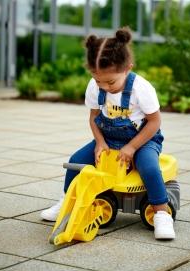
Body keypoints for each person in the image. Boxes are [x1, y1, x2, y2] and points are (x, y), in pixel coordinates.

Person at [41, 27, 175, 239]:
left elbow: (155, 122)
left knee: (148, 167)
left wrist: (131, 147)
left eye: (110, 82)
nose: (104, 87)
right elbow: (94, 117)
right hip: (109, 138)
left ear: (127, 68)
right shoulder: (96, 87)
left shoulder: (141, 88)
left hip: (143, 140)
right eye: (97, 80)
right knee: (76, 161)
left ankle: (161, 213)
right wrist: (100, 142)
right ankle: (68, 202)